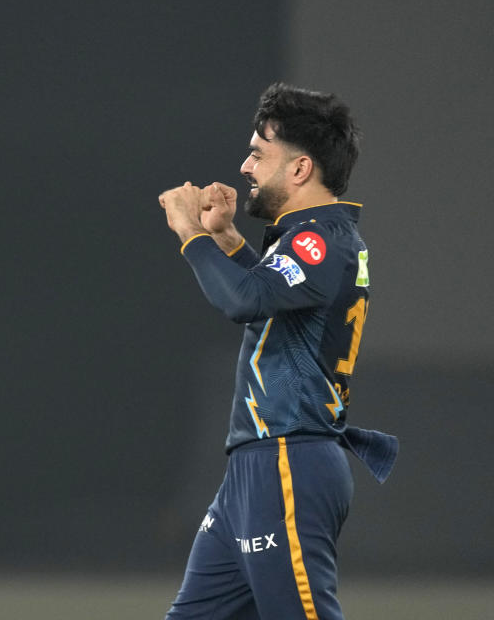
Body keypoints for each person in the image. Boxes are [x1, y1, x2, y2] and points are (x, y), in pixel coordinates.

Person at [157, 83, 397, 619]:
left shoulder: (321, 240)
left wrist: (189, 232)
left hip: (288, 462)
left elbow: (245, 302)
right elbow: (272, 303)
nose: (245, 166)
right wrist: (227, 240)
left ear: (300, 169)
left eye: (259, 154)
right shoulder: (313, 239)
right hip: (259, 466)